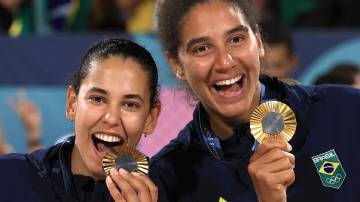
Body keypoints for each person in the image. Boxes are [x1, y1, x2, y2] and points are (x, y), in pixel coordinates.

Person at [149, 0, 360, 202]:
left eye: (236, 39)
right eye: (202, 48)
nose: (225, 62)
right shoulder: (170, 178)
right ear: (176, 64)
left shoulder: (344, 110)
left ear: (258, 41)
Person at [0, 38, 161, 202]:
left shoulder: (171, 189)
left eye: (130, 104)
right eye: (97, 99)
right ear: (72, 104)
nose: (111, 118)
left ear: (150, 119)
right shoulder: (9, 178)